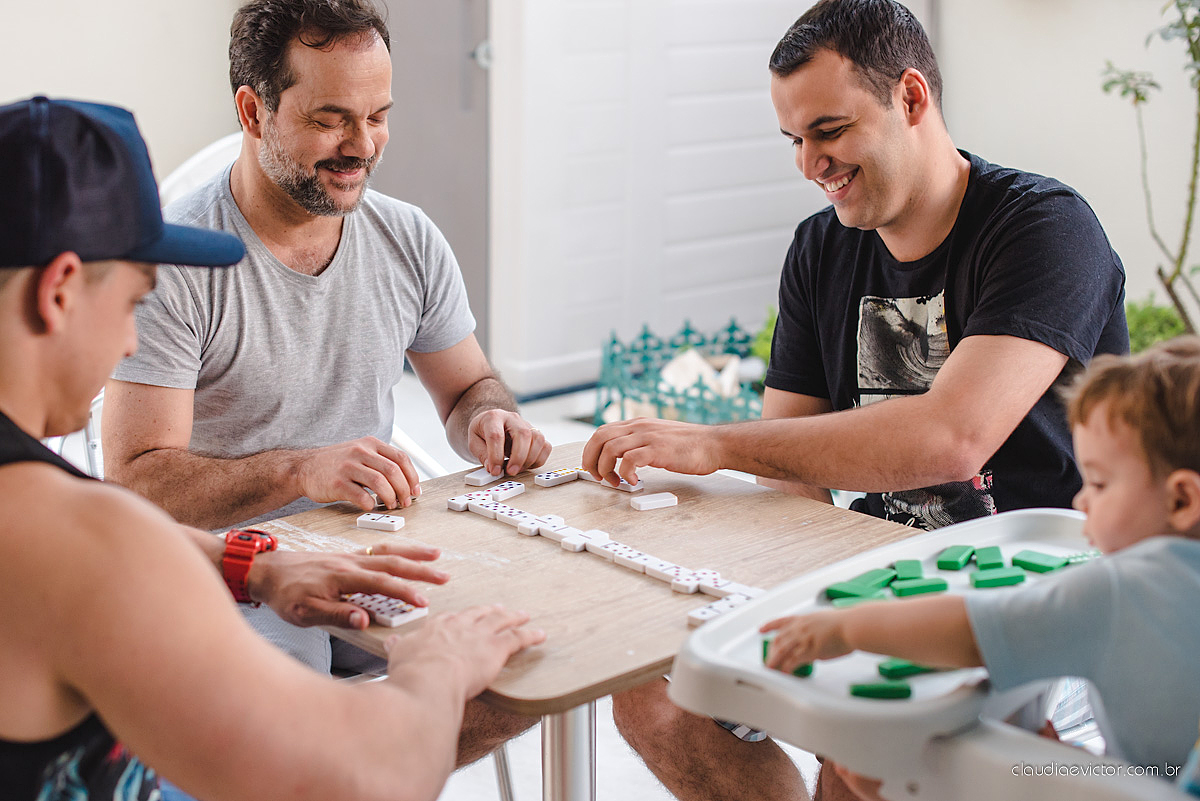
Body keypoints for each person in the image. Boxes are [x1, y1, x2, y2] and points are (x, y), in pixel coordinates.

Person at [584, 0, 1128, 798]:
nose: (810, 164)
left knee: (864, 768)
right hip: (877, 577)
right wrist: (793, 588)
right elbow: (789, 458)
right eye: (794, 140)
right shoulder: (820, 247)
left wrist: (714, 443)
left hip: (1035, 597)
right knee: (658, 691)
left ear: (911, 99)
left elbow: (953, 438)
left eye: (829, 132)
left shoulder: (1045, 228)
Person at [0, 95, 544, 801]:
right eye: (134, 301)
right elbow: (371, 777)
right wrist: (436, 665)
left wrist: (252, 567)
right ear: (61, 290)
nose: (131, 343)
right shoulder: (80, 540)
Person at [101, 0, 547, 758]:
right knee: (304, 736)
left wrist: (489, 419)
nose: (362, 146)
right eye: (331, 118)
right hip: (234, 569)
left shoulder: (407, 238)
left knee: (532, 662)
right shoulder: (181, 263)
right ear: (254, 109)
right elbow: (136, 484)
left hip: (371, 546)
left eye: (378, 116)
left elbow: (470, 385)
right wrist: (302, 467)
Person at [764, 335, 1200, 788]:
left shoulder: (1122, 589)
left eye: (1101, 485)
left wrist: (845, 628)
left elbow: (969, 632)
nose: (1081, 499)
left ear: (1182, 499)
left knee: (894, 769)